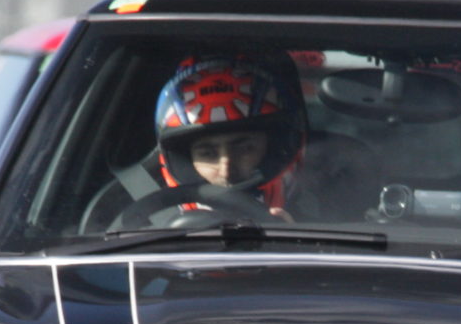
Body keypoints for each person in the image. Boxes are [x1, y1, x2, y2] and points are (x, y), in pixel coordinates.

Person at [87, 53, 307, 229]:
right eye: (208, 153)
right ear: (183, 159)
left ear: (276, 148)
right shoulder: (125, 214)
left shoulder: (322, 202)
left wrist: (295, 243)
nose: (226, 171)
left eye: (245, 148)